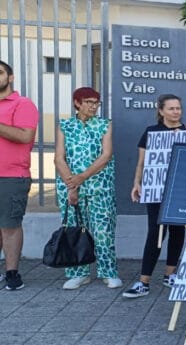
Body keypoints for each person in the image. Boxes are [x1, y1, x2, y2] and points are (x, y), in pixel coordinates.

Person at [123, 94, 186, 298]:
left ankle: (170, 274)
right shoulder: (151, 132)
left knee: (177, 231)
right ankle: (144, 281)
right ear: (161, 111)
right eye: (172, 108)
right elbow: (142, 161)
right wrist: (136, 183)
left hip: (181, 191)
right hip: (156, 190)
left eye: (179, 108)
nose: (176, 112)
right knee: (155, 233)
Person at [53, 87, 121, 290]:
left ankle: (108, 271)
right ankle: (78, 273)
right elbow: (59, 158)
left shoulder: (104, 125)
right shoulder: (65, 125)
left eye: (96, 102)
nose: (93, 106)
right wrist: (71, 184)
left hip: (100, 186)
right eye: (89, 102)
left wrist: (81, 177)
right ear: (77, 103)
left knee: (103, 230)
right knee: (74, 230)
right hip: (71, 187)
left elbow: (106, 155)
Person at [0, 60, 38, 291]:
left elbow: (25, 136)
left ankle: (12, 273)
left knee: (10, 225)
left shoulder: (23, 104)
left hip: (11, 176)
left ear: (10, 78)